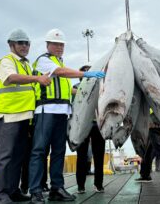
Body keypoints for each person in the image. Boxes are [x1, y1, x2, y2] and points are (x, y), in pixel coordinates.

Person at [28, 29, 105, 203]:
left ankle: (57, 188)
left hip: (62, 113)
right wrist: (86, 73)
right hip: (46, 111)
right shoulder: (43, 61)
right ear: (47, 45)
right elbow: (61, 73)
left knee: (58, 152)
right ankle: (36, 190)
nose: (59, 47)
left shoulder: (59, 61)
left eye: (61, 44)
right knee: (39, 151)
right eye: (55, 44)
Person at [0, 29, 51, 204]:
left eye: (27, 43)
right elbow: (10, 78)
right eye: (20, 43)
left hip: (24, 116)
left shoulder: (26, 64)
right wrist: (36, 79)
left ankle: (12, 190)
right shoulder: (6, 61)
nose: (24, 46)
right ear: (11, 45)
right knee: (4, 156)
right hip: (8, 115)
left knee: (18, 156)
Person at [74, 65, 106, 194]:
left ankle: (99, 184)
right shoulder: (75, 87)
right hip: (82, 125)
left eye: (89, 70)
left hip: (98, 124)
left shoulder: (101, 87)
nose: (87, 72)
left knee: (99, 156)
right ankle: (80, 186)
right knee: (81, 156)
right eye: (84, 71)